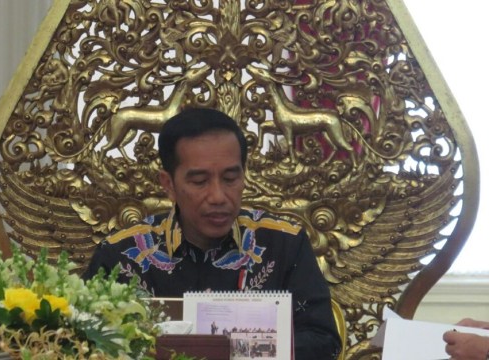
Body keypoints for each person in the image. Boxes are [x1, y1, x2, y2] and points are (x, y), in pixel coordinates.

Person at [83, 107, 341, 359]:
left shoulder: (284, 243)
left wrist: (236, 350)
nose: (218, 196)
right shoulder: (121, 254)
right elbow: (83, 342)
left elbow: (323, 340)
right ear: (169, 184)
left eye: (230, 178)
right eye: (199, 181)